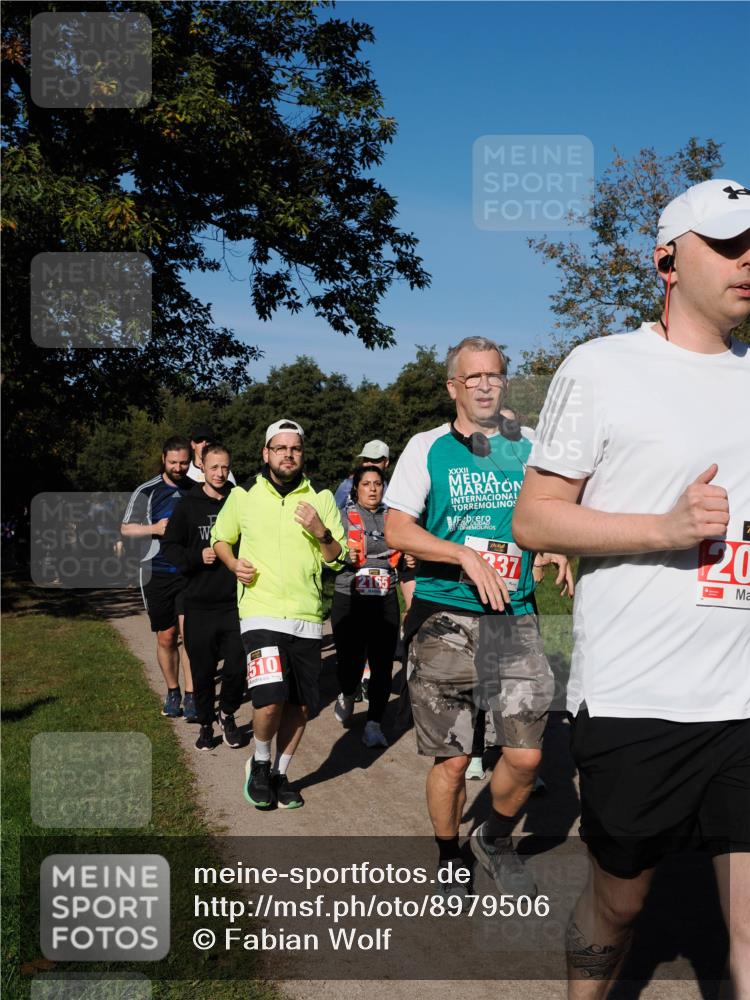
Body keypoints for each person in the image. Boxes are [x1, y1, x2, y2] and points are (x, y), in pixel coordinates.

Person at [512, 178, 750, 997]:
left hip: (745, 699)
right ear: (666, 260)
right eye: (726, 243)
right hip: (638, 699)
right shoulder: (603, 367)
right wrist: (664, 529)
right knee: (619, 905)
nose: (746, 259)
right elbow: (536, 520)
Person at [385, 336, 572, 899]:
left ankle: (492, 837)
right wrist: (462, 553)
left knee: (526, 754)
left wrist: (551, 544)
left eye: (494, 375)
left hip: (513, 617)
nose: (486, 385)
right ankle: (448, 850)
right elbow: (397, 529)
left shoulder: (530, 446)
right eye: (474, 378)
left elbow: (548, 512)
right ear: (453, 387)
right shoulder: (428, 447)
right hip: (446, 615)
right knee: (454, 756)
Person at [212, 419, 346, 810]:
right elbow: (221, 537)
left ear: (302, 454)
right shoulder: (243, 496)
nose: (288, 454)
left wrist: (321, 531)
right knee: (269, 700)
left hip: (307, 615)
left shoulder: (320, 497)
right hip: (260, 612)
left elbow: (338, 559)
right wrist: (233, 563)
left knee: (301, 706)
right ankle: (260, 763)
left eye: (295, 448)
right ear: (266, 454)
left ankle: (280, 773)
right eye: (280, 447)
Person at [161, 443, 246, 752]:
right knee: (204, 670)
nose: (220, 473)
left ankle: (228, 713)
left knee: (238, 666)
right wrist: (197, 556)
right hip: (197, 601)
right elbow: (169, 546)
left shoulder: (240, 501)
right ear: (203, 470)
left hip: (235, 601)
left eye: (225, 467)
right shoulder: (187, 505)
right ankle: (207, 725)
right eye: (214, 468)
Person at [121, 436, 197, 718]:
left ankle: (192, 696)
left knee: (190, 635)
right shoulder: (147, 490)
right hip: (156, 571)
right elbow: (126, 528)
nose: (179, 467)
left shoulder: (196, 489)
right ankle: (173, 691)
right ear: (163, 459)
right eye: (174, 462)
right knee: (166, 637)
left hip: (189, 573)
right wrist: (155, 528)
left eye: (184, 463)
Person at [331, 464, 401, 748]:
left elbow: (409, 547)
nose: (373, 489)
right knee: (350, 659)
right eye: (366, 484)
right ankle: (347, 693)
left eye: (377, 484)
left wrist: (410, 559)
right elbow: (328, 553)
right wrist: (343, 553)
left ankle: (374, 725)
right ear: (356, 488)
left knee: (383, 663)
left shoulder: (394, 518)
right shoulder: (343, 517)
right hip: (350, 593)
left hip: (385, 594)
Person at [334, 440, 390, 511]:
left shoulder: (392, 490)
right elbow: (334, 512)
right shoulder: (348, 485)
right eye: (366, 459)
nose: (369, 464)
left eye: (375, 460)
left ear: (386, 462)